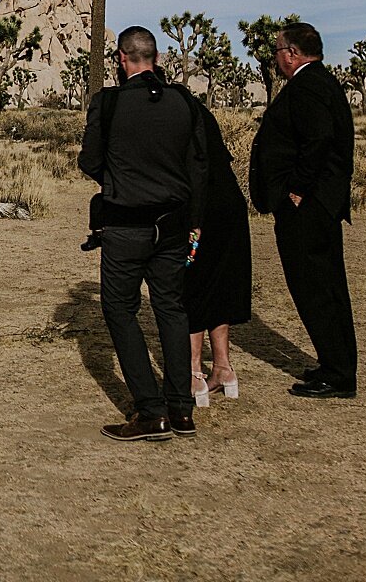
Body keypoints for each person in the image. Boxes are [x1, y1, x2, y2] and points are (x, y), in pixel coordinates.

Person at [78, 27, 208, 442]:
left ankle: (151, 411)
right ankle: (182, 409)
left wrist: (120, 181)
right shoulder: (184, 101)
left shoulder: (110, 104)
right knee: (170, 308)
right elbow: (198, 165)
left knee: (119, 309)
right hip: (173, 223)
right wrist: (195, 218)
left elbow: (90, 161)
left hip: (125, 224)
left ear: (121, 58)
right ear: (155, 56)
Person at [249, 21, 358, 399]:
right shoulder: (321, 82)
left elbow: (319, 138)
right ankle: (335, 364)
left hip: (308, 207)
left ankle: (339, 375)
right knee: (325, 287)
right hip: (318, 205)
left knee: (315, 289)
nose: (275, 57)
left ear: (292, 53)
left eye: (278, 50)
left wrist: (297, 189)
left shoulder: (309, 84)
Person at [185, 92, 252, 407]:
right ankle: (224, 369)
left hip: (201, 211)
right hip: (231, 206)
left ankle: (195, 373)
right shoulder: (203, 115)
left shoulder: (177, 116)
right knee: (220, 286)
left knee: (192, 285)